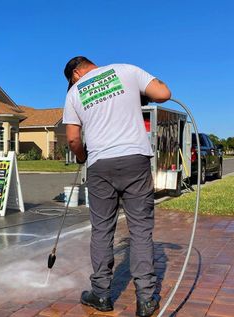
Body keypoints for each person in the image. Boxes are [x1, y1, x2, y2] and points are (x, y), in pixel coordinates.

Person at [62, 56, 171, 317]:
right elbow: (164, 93)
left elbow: (73, 139)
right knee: (140, 230)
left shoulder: (75, 92)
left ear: (76, 73)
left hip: (100, 166)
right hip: (135, 159)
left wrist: (81, 157)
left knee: (102, 231)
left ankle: (100, 295)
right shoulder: (127, 70)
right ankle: (145, 299)